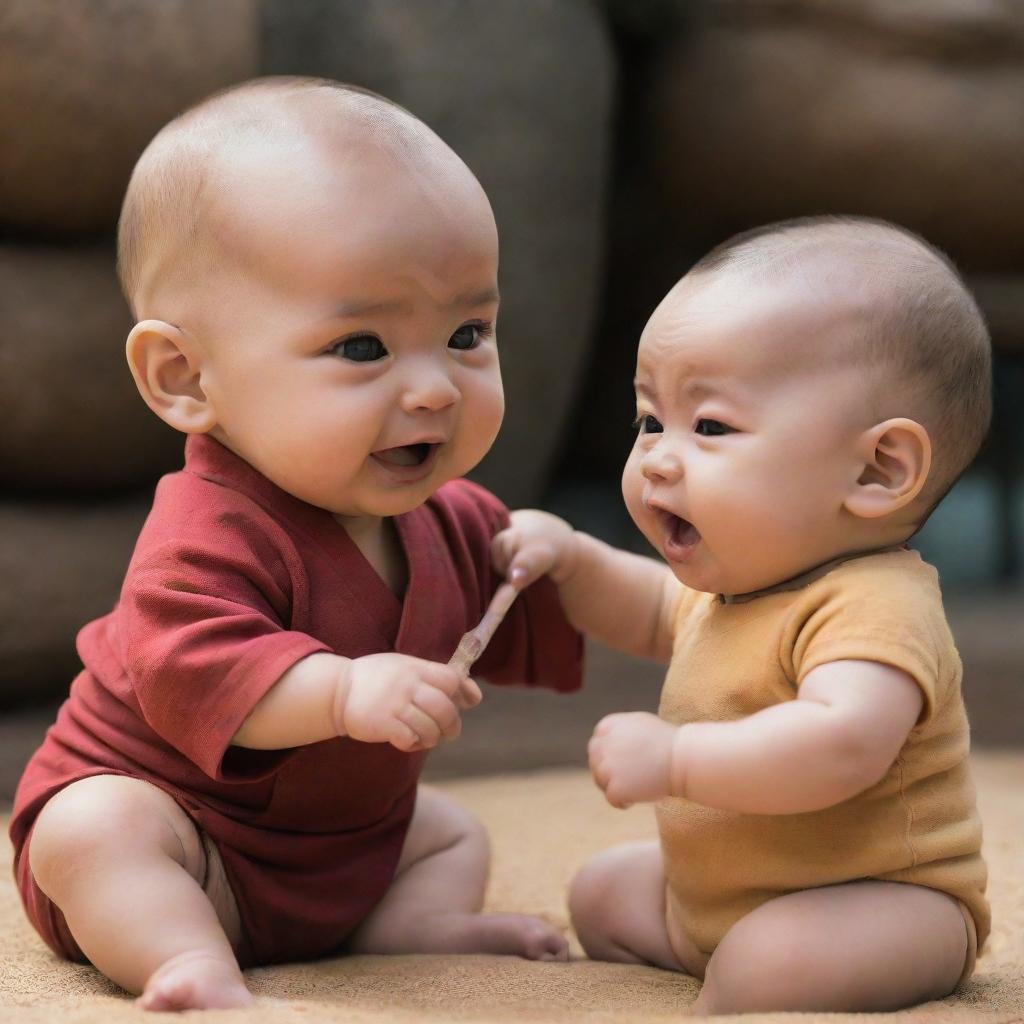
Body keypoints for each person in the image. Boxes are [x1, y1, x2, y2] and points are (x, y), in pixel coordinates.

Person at [10, 77, 581, 1012]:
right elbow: (199, 670)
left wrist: (608, 571)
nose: (436, 389)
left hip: (339, 855)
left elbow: (584, 602)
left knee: (445, 833)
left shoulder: (449, 517)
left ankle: (410, 927)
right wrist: (347, 689)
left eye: (468, 332)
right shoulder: (207, 530)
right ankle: (183, 960)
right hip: (189, 842)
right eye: (362, 346)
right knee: (94, 828)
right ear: (186, 376)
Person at [494, 216, 990, 1014]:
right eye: (650, 420)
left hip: (885, 903)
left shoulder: (874, 605)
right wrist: (574, 561)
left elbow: (844, 743)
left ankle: (745, 974)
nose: (656, 455)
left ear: (877, 468)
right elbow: (653, 608)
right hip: (721, 897)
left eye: (710, 426)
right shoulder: (733, 587)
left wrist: (680, 760)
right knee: (602, 893)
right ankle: (713, 946)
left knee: (770, 964)